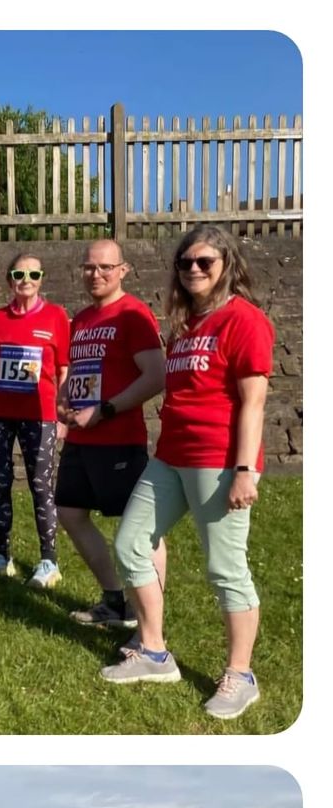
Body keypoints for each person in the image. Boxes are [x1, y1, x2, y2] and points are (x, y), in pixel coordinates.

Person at [102, 225, 275, 719]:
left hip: (218, 460)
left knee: (225, 570)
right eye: (186, 263)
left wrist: (245, 469)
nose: (194, 270)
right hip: (171, 456)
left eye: (205, 262)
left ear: (227, 265)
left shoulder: (244, 320)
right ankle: (154, 652)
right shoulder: (187, 325)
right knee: (131, 542)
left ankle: (240, 675)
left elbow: (253, 402)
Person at [56, 240, 166, 630]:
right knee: (69, 513)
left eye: (105, 267)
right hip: (80, 438)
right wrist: (64, 402)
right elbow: (78, 373)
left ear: (124, 270)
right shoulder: (82, 318)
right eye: (89, 267)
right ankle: (114, 598)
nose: (96, 274)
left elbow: (156, 375)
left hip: (118, 438)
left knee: (138, 527)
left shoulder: (133, 314)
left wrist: (104, 410)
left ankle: (147, 613)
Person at [0, 252, 71, 588]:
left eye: (33, 274)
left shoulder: (57, 316)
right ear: (9, 279)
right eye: (18, 274)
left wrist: (63, 414)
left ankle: (49, 560)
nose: (25, 280)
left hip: (39, 414)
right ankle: (2, 555)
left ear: (42, 278)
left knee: (41, 485)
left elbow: (63, 370)